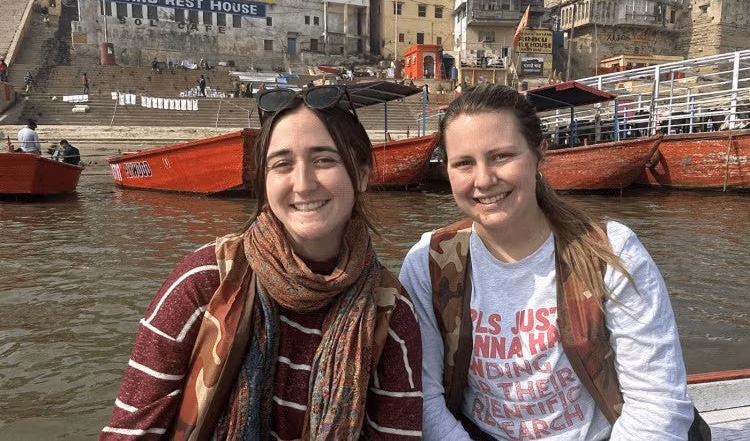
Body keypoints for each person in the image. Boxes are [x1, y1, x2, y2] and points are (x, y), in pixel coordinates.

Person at [102, 84, 423, 439]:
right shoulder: (206, 281)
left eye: (324, 160)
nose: (303, 185)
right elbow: (130, 431)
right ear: (264, 180)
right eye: (282, 165)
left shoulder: (389, 309)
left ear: (362, 174)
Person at [399, 85, 697, 440]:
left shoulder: (608, 251)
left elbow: (657, 403)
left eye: (501, 156)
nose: (483, 180)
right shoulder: (428, 262)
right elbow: (426, 398)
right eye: (464, 163)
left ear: (538, 155)